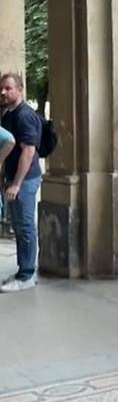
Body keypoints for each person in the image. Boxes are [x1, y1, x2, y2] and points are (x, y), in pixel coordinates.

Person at [0, 73, 42, 292]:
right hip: (15, 178)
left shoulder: (24, 115)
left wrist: (16, 184)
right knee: (19, 226)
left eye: (8, 88)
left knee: (25, 227)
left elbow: (28, 152)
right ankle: (23, 271)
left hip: (25, 180)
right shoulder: (9, 113)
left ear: (20, 89)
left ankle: (27, 275)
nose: (3, 92)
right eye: (1, 88)